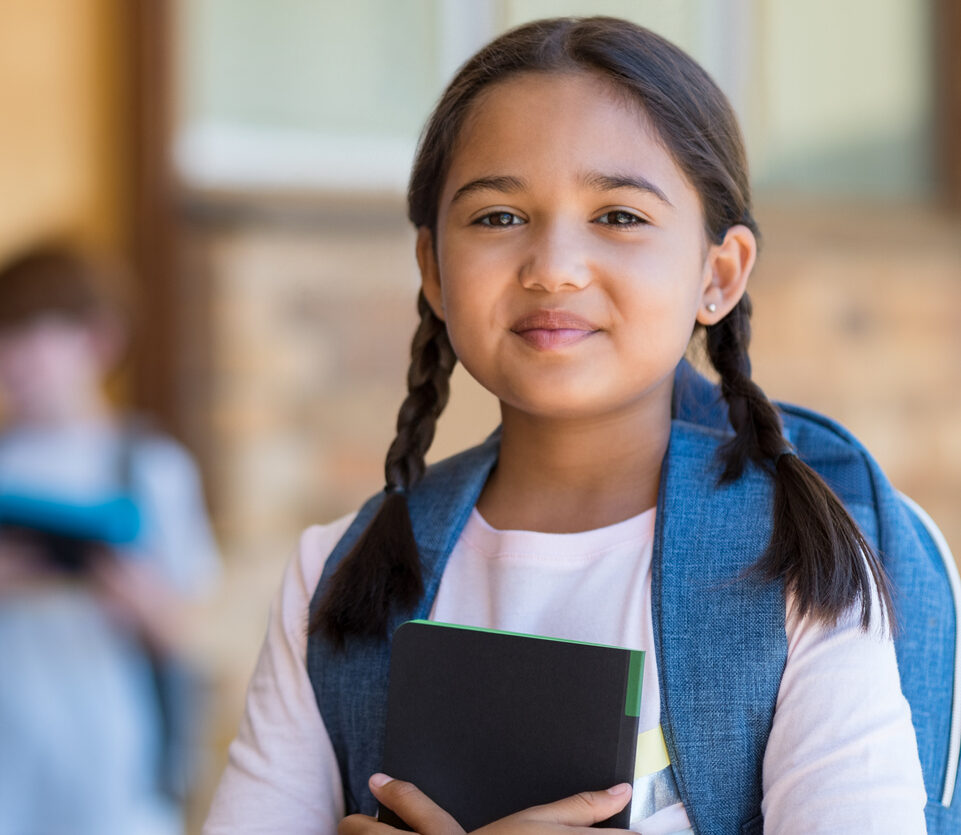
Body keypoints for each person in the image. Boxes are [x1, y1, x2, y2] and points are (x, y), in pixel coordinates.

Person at [204, 17, 928, 834]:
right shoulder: (333, 574)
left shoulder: (796, 564)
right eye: (497, 217)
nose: (552, 266)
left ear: (717, 275)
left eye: (618, 216)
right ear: (433, 270)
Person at [0, 245, 221, 835]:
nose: (10, 356)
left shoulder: (151, 467)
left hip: (115, 768)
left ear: (97, 340)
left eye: (28, 332)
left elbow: (194, 635)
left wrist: (143, 602)